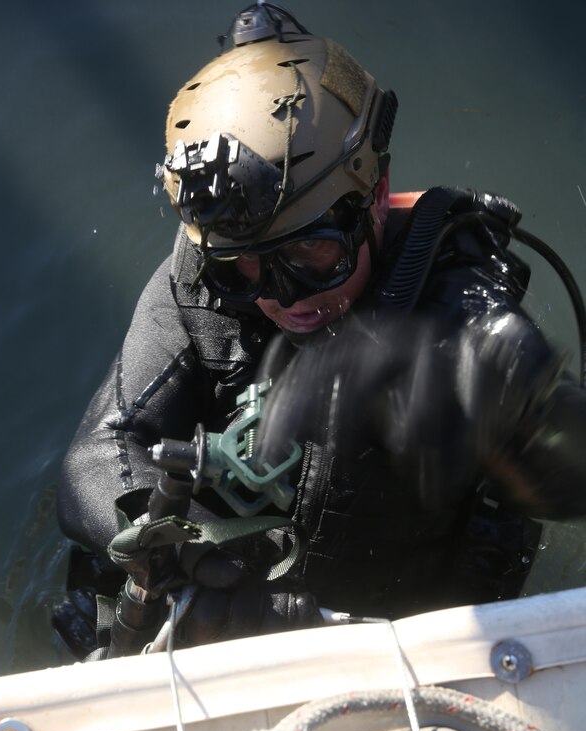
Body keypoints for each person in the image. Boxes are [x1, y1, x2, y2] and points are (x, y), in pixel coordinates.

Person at [55, 3, 586, 658]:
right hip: (236, 608)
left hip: (407, 644)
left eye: (312, 252)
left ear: (375, 192)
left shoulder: (460, 303)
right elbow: (95, 457)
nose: (283, 298)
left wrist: (511, 401)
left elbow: (573, 477)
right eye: (243, 268)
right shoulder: (197, 282)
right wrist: (198, 552)